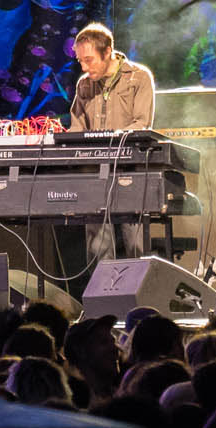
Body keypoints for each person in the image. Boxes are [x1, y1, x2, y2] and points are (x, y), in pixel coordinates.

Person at [67, 22, 157, 264]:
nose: (84, 67)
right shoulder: (84, 84)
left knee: (136, 244)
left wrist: (108, 141)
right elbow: (77, 129)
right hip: (95, 174)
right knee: (98, 246)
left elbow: (141, 124)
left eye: (89, 60)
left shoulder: (138, 77)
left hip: (130, 171)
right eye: (80, 62)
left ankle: (140, 298)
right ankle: (102, 296)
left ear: (107, 52)